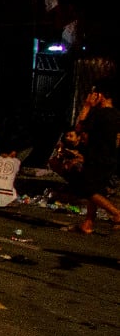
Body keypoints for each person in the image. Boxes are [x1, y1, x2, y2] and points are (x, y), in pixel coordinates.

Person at [69, 82, 119, 235]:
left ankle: (116, 213)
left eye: (93, 94)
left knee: (87, 189)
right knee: (97, 190)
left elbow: (78, 128)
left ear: (99, 95)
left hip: (97, 157)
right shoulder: (116, 114)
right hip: (110, 158)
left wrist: (87, 106)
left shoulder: (99, 114)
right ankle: (88, 222)